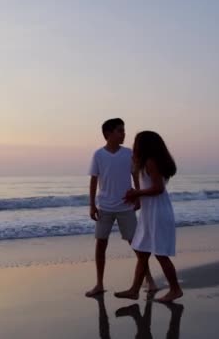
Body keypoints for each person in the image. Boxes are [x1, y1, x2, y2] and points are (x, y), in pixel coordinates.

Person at [85, 118, 157, 297]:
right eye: (119, 130)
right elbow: (94, 180)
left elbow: (135, 175)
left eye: (124, 130)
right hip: (105, 206)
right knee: (101, 243)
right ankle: (99, 284)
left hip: (125, 206)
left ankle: (149, 279)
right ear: (108, 134)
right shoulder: (98, 155)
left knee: (136, 243)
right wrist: (92, 205)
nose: (123, 133)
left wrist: (138, 196)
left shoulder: (128, 153)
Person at [114, 131, 182, 302]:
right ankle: (134, 290)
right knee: (143, 251)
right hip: (150, 212)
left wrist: (137, 192)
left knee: (160, 253)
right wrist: (138, 195)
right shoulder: (148, 162)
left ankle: (175, 289)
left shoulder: (151, 162)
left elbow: (158, 188)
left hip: (157, 212)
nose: (134, 146)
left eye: (137, 143)